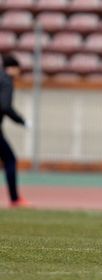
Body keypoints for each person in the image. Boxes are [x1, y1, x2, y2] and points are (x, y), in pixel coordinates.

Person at [0, 54, 29, 207]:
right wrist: (22, 121)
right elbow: (5, 106)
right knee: (10, 160)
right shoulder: (6, 81)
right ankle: (15, 199)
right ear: (12, 68)